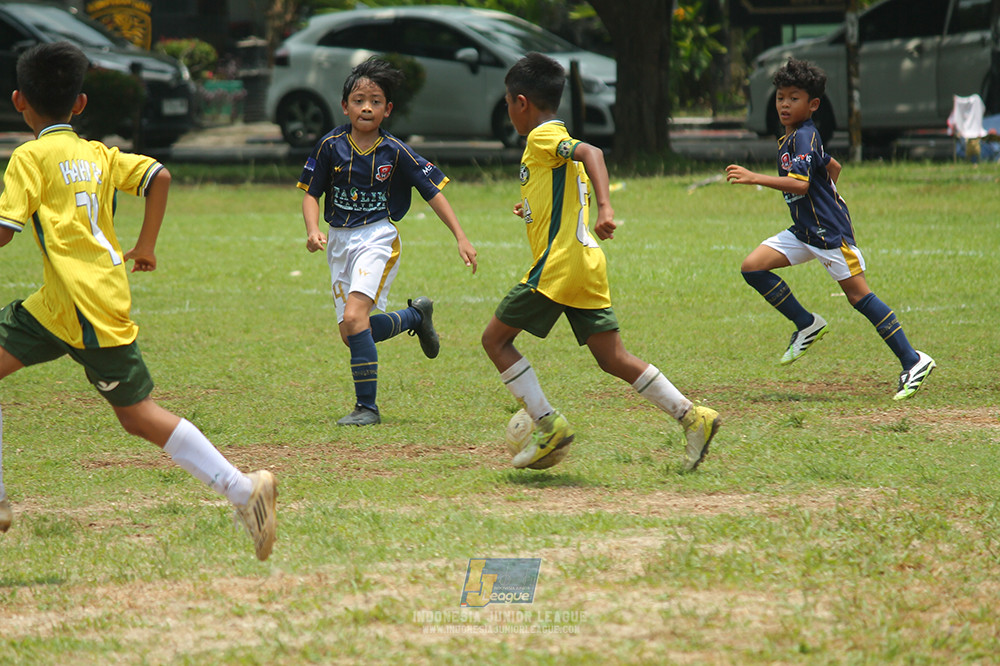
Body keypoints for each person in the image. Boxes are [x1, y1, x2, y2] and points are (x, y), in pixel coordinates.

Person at [0, 42, 277, 560]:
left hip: (85, 308)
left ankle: (245, 490)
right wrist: (145, 244)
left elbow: (4, 232)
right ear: (79, 104)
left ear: (19, 100)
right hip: (59, 303)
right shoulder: (98, 154)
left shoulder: (29, 156)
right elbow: (159, 176)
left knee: (138, 415)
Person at [481, 53, 721, 471]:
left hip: (560, 265)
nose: (508, 110)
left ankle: (547, 424)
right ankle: (692, 416)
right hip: (587, 262)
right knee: (613, 358)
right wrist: (531, 211)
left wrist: (606, 207)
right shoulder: (549, 140)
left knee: (495, 340)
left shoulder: (541, 137)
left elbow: (592, 153)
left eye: (507, 102)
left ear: (521, 102)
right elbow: (561, 190)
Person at [726, 58, 935, 400]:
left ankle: (913, 360)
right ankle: (806, 323)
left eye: (794, 98)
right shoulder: (793, 138)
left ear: (813, 104)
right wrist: (828, 194)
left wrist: (754, 178)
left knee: (859, 296)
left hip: (828, 233)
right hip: (805, 230)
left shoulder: (805, 136)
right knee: (753, 267)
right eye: (780, 97)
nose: (784, 104)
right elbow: (832, 166)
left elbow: (800, 185)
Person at [298, 57, 478, 427]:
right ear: (344, 104)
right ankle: (416, 316)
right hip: (338, 242)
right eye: (359, 99)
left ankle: (367, 408)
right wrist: (313, 229)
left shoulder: (394, 150)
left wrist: (460, 236)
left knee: (354, 317)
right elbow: (310, 194)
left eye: (376, 101)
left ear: (388, 109)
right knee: (351, 334)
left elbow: (433, 192)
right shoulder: (330, 146)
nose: (367, 107)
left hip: (377, 238)